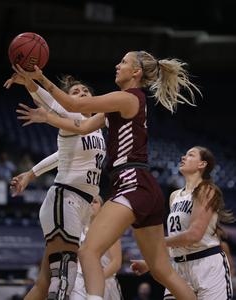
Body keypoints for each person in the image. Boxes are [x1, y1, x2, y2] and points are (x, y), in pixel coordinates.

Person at [14, 49, 201, 300]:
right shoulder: (119, 105)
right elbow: (81, 125)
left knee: (88, 251)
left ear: (135, 72)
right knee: (162, 271)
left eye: (123, 62)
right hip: (146, 187)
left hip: (130, 182)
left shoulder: (126, 98)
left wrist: (41, 78)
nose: (117, 65)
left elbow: (74, 105)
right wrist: (48, 117)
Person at [6, 74, 106, 300]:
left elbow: (60, 155)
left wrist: (31, 174)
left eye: (85, 91)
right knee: (64, 274)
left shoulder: (97, 127)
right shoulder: (72, 117)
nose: (82, 93)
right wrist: (32, 84)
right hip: (66, 199)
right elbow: (49, 103)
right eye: (75, 92)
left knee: (43, 283)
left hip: (79, 205)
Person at [130, 146, 235, 299]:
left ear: (202, 164)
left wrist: (157, 242)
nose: (183, 158)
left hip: (207, 265)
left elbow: (194, 235)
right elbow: (176, 239)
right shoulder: (174, 196)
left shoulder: (206, 190)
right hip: (179, 266)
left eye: (190, 155)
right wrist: (150, 262)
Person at [71, 196, 122, 300]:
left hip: (105, 280)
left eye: (95, 202)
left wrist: (95, 280)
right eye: (88, 201)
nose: (91, 204)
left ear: (102, 208)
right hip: (79, 280)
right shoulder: (76, 230)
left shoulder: (110, 229)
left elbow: (116, 263)